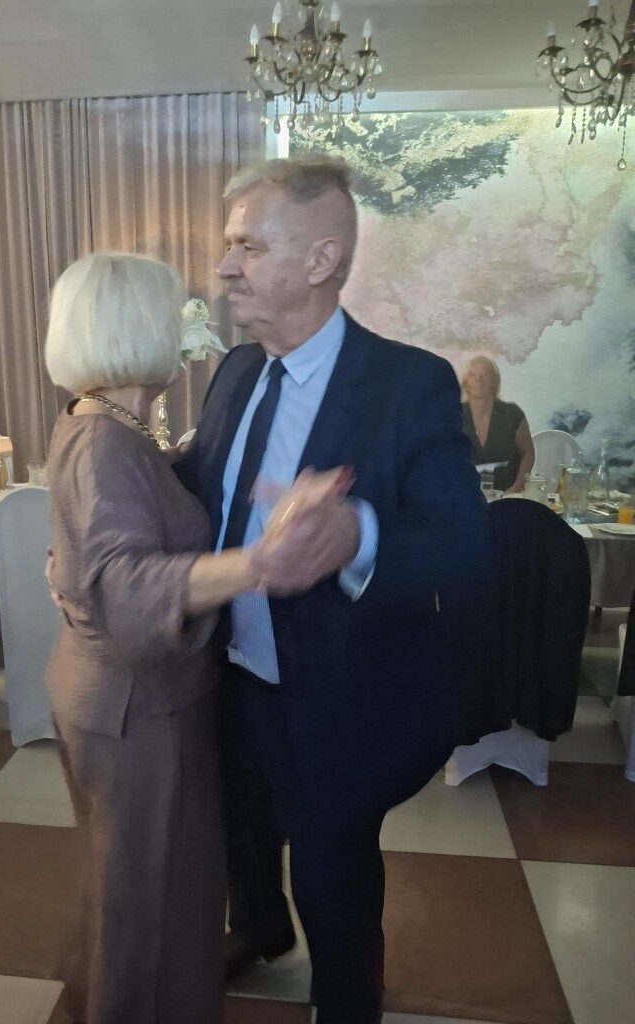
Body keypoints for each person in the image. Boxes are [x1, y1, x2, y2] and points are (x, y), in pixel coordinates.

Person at [174, 155, 493, 1024]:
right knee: (240, 827)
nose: (224, 266)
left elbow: (465, 548)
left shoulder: (409, 385)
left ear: (321, 260)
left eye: (248, 246)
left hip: (338, 696)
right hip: (230, 672)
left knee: (333, 868)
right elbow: (202, 484)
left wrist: (357, 535)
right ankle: (260, 928)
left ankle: (348, 1000)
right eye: (229, 245)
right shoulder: (236, 372)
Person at [44, 251, 283, 1024]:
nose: (182, 330)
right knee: (149, 905)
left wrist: (203, 459)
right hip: (138, 710)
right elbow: (126, 586)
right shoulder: (106, 441)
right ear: (138, 328)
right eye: (170, 313)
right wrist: (258, 562)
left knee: (128, 888)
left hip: (111, 698)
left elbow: (128, 503)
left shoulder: (105, 424)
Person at [461, 355, 535, 493]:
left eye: (485, 374)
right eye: (472, 375)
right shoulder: (454, 414)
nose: (479, 379)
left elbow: (528, 453)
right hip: (464, 495)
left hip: (507, 495)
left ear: (495, 381)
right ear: (465, 383)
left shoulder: (512, 413)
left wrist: (516, 489)